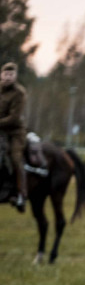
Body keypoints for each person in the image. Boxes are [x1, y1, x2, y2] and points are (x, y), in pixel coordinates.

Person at [0, 62, 27, 212]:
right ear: (1, 75)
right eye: (5, 74)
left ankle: (21, 194)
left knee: (15, 157)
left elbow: (14, 118)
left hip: (15, 131)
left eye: (11, 75)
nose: (8, 77)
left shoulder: (20, 93)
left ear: (15, 76)